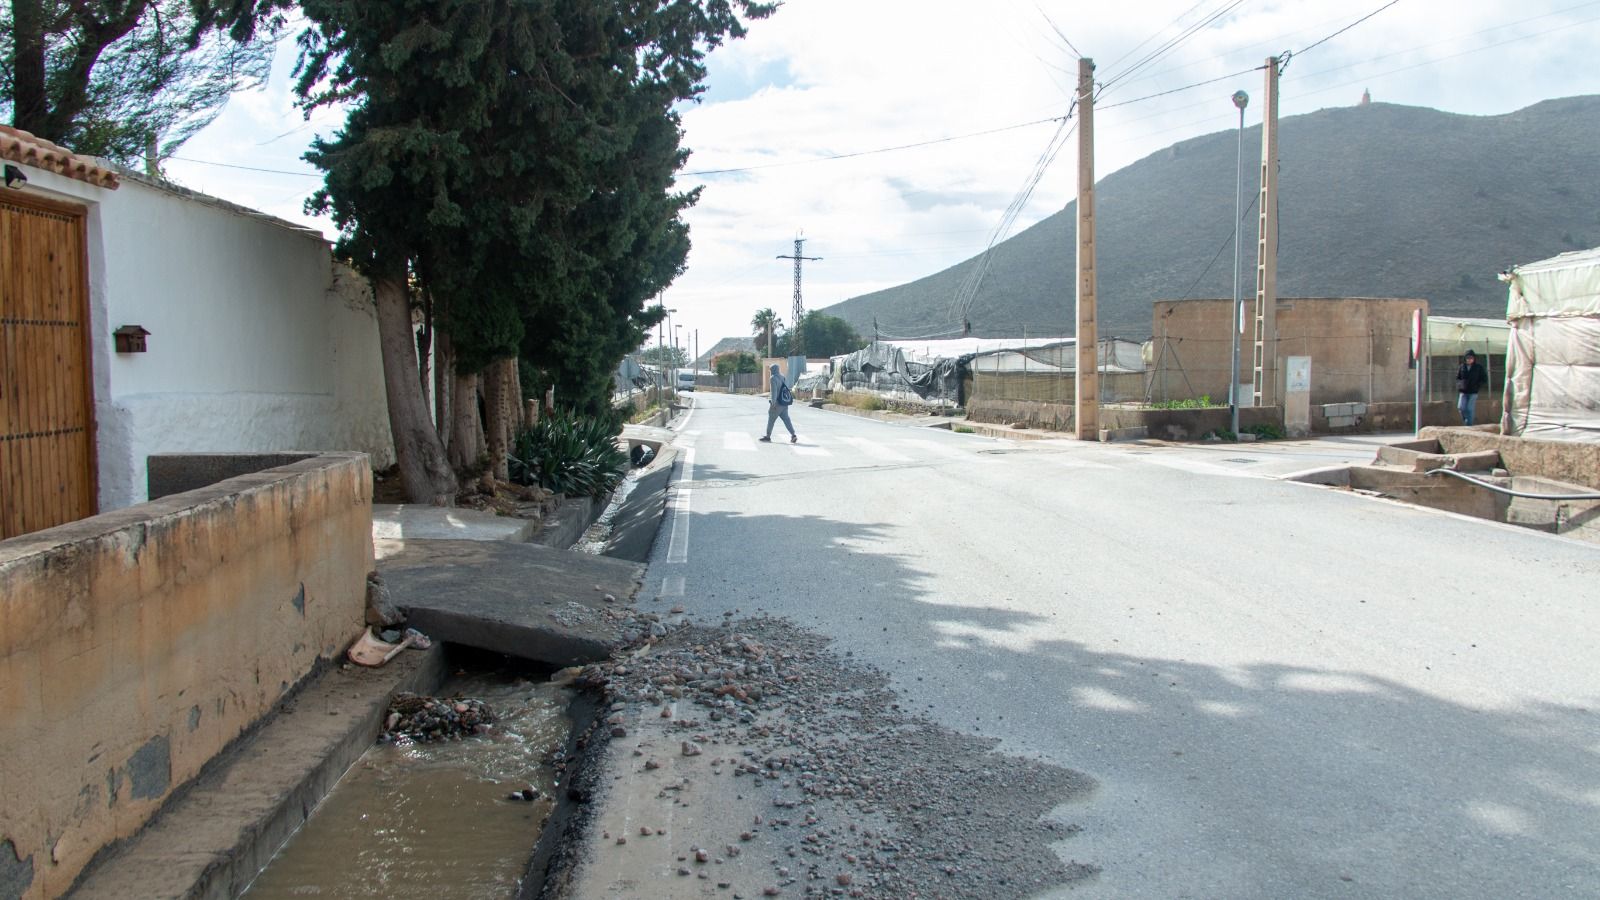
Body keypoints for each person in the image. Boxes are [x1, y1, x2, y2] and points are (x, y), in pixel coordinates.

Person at [760, 363, 798, 443]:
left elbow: (774, 392)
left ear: (773, 370)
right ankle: (793, 435)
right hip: (784, 403)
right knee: (787, 420)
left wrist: (773, 403)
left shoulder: (773, 378)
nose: (770, 371)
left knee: (771, 420)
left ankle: (768, 436)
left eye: (771, 370)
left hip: (777, 404)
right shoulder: (782, 377)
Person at [1456, 349, 1487, 425]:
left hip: (1473, 392)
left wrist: (1477, 385)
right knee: (1461, 407)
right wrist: (1460, 385)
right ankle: (1466, 420)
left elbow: (1484, 379)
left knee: (1469, 408)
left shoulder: (1478, 367)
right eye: (1467, 358)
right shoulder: (1462, 367)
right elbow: (1458, 377)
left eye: (1471, 358)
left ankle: (1469, 425)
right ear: (1465, 358)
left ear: (1474, 358)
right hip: (1463, 391)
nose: (1469, 360)